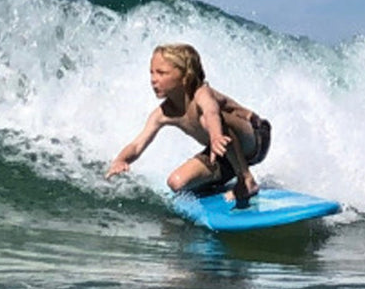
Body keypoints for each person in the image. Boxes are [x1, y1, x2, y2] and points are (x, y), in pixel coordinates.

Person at [106, 43, 270, 207]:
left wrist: (216, 136)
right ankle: (221, 180)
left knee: (210, 121)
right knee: (176, 183)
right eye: (152, 72)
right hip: (223, 152)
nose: (153, 79)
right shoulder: (162, 113)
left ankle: (246, 180)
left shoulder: (201, 93)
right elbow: (136, 145)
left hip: (254, 138)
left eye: (161, 73)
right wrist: (120, 160)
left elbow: (211, 112)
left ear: (185, 76)